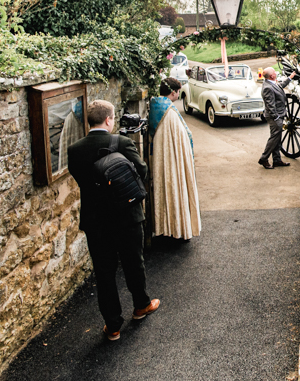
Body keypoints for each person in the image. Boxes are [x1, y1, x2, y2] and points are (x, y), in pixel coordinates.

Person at [67, 100, 159, 341]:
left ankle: (113, 326)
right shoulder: (121, 143)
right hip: (127, 215)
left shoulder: (74, 150)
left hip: (96, 221)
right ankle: (141, 306)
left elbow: (80, 179)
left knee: (104, 273)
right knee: (133, 262)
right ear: (108, 120)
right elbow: (142, 170)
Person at [149, 78, 201, 239]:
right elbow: (180, 138)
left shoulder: (157, 106)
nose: (178, 95)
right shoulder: (168, 113)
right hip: (173, 160)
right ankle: (176, 228)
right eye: (178, 92)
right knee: (174, 186)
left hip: (164, 157)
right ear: (173, 92)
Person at [258, 67, 290, 169]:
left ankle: (277, 160)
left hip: (278, 115)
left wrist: (290, 77)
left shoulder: (271, 83)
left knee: (277, 138)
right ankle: (263, 158)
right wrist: (276, 118)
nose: (276, 73)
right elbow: (270, 106)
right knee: (274, 138)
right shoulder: (267, 87)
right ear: (272, 75)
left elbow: (280, 86)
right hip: (274, 117)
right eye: (274, 72)